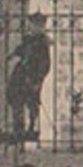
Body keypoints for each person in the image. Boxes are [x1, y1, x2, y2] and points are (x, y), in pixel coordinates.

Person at [8, 12, 51, 142]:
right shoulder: (28, 40)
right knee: (16, 99)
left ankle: (32, 127)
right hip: (21, 74)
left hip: (33, 75)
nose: (34, 28)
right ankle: (18, 128)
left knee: (32, 102)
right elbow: (20, 50)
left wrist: (38, 78)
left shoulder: (43, 43)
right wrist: (13, 55)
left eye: (38, 25)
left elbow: (45, 63)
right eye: (33, 25)